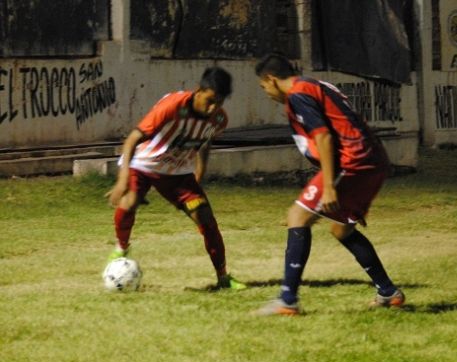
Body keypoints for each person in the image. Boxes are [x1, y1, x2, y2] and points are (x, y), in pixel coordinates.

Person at [251, 53, 404, 316]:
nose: (266, 92)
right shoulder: (316, 85)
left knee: (297, 216)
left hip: (351, 161)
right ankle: (388, 292)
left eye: (263, 86)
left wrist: (332, 187)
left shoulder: (298, 94)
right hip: (373, 159)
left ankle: (288, 300)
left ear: (271, 79)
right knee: (341, 230)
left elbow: (323, 137)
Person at [105, 67, 246, 290]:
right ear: (198, 91)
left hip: (177, 174)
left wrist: (200, 171)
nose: (212, 108)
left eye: (218, 103)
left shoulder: (219, 119)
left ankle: (223, 278)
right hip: (143, 164)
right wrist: (122, 181)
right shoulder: (172, 106)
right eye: (209, 101)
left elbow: (205, 141)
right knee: (130, 200)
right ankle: (121, 248)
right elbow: (132, 138)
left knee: (206, 219)